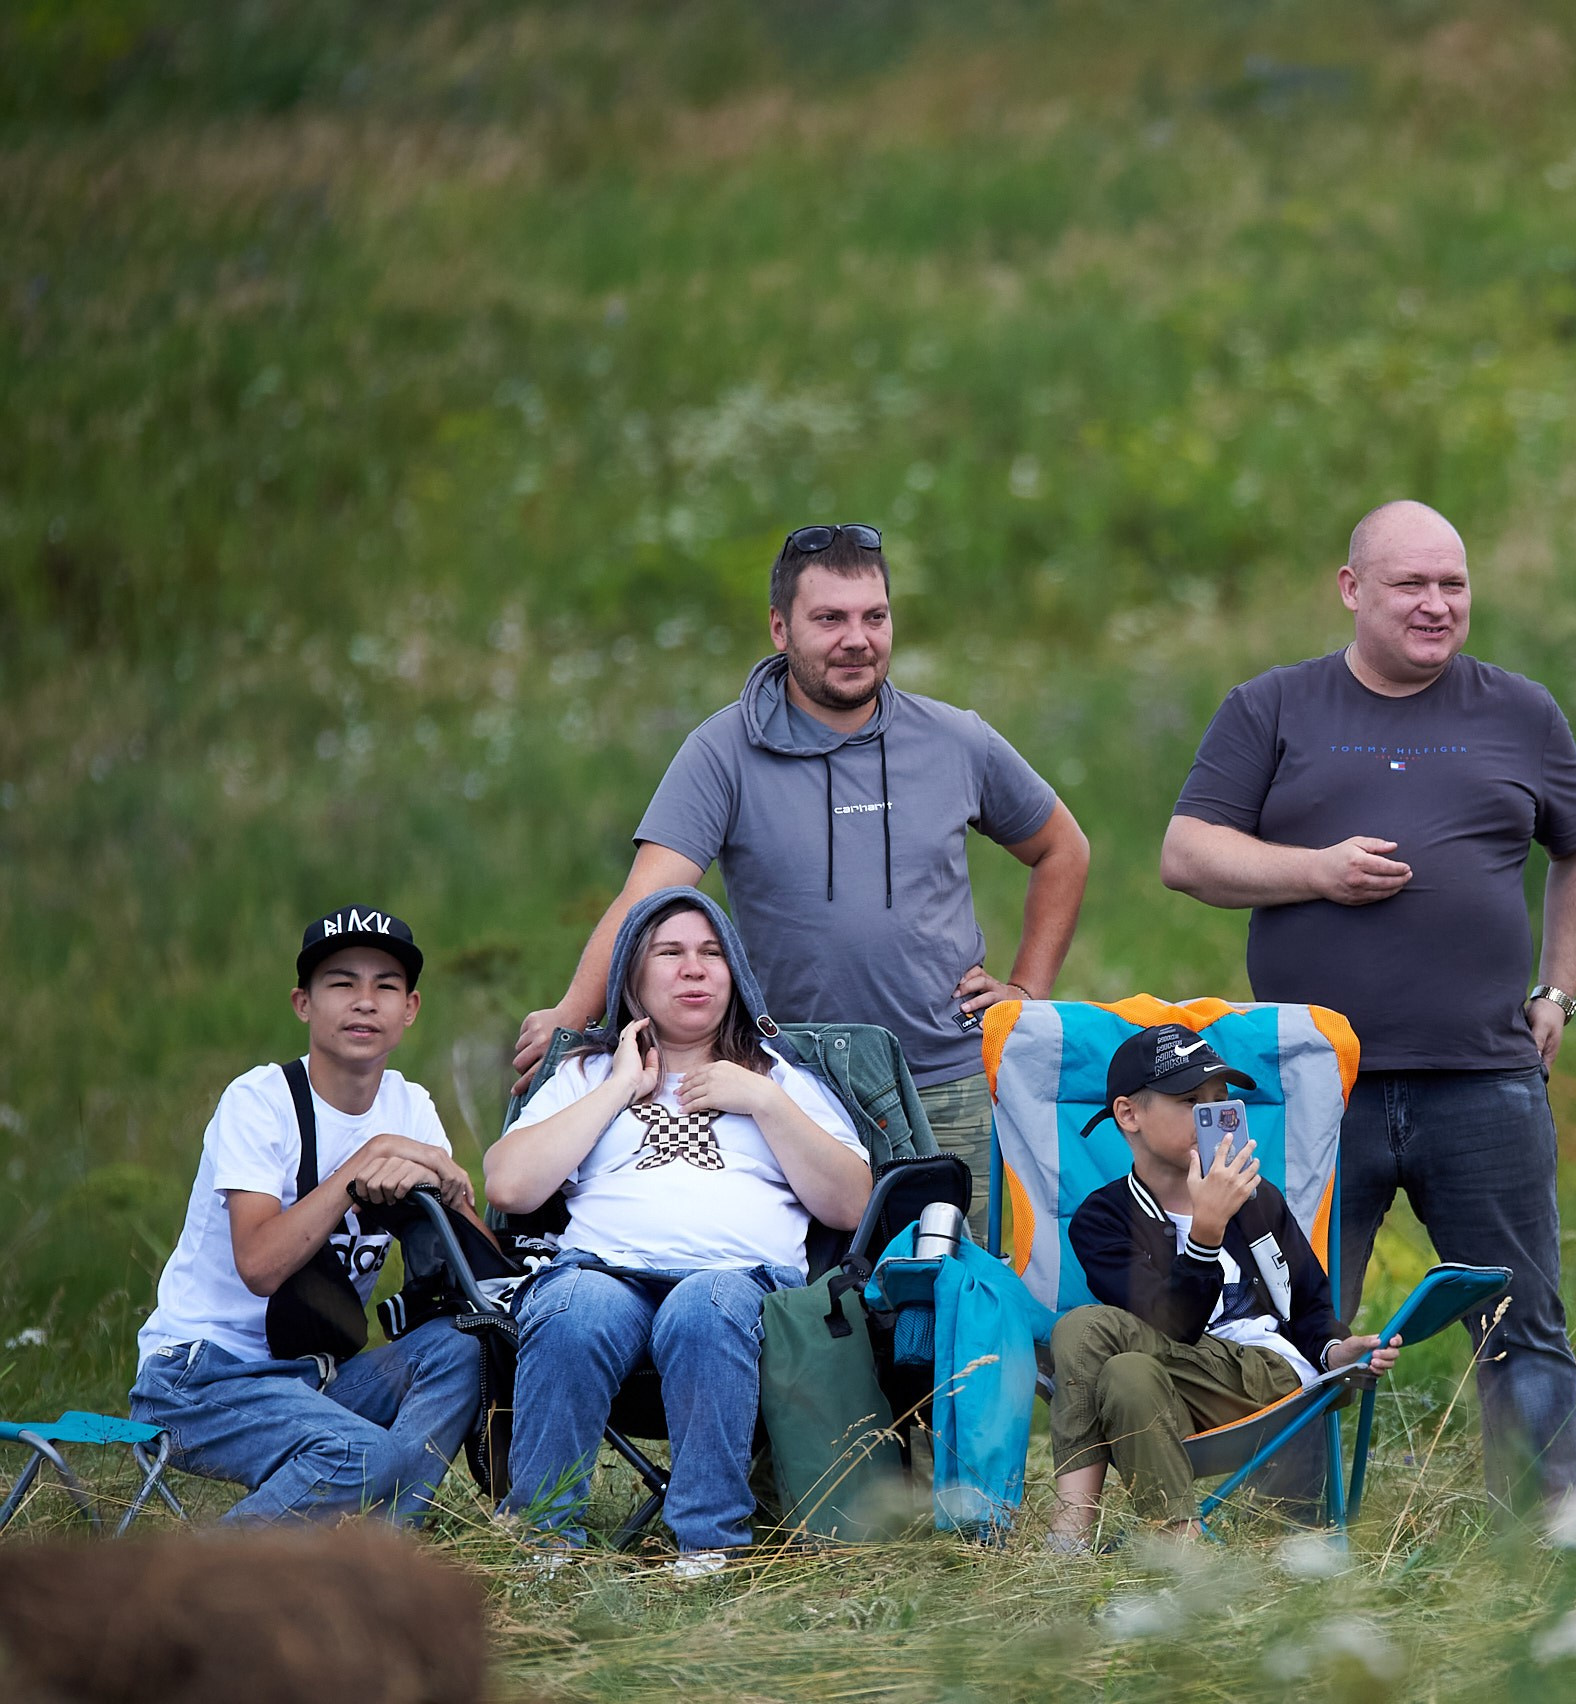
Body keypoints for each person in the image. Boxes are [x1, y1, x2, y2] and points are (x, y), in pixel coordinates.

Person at [1162, 499, 1576, 1511]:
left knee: (1521, 1323)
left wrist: (1558, 990)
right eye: (1410, 584)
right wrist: (1313, 872)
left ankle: (1541, 1547)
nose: (1435, 604)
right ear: (1351, 589)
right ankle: (1295, 1542)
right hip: (1314, 1083)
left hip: (1484, 1078)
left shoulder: (1518, 712)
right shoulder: (1272, 708)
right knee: (1287, 1322)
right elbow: (1186, 854)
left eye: (1452, 584)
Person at [514, 524, 1088, 1244]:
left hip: (951, 1082)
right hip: (798, 1089)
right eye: (830, 619)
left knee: (958, 1308)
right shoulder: (722, 751)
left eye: (874, 617)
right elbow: (646, 902)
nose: (857, 639)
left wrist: (1027, 997)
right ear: (780, 627)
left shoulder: (955, 740)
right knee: (820, 1319)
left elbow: (1063, 849)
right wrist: (573, 1015)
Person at [488, 888, 875, 1571]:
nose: (694, 969)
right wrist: (617, 1087)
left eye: (711, 953)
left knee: (704, 1309)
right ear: (631, 980)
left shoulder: (780, 1076)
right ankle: (541, 1540)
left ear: (735, 976)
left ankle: (708, 1544)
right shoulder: (585, 1073)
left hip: (738, 1280)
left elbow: (850, 1204)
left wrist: (762, 1101)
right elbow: (510, 1185)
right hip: (603, 1273)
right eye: (669, 953)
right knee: (571, 1311)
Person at [130, 905, 484, 1524]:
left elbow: (471, 1273)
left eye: (386, 986)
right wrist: (366, 1163)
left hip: (313, 1380)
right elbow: (261, 1266)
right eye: (342, 983)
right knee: (364, 1455)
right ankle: (173, 1593)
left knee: (461, 1347)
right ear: (303, 1004)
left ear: (411, 1009)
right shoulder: (259, 1101)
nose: (365, 1002)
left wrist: (454, 1196)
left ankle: (376, 1555)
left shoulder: (411, 1107)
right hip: (199, 1379)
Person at [1047, 1025, 1400, 1549]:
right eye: (1190, 1102)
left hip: (1272, 1381)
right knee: (1125, 1374)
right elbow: (1174, 1328)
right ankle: (1180, 1546)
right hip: (1181, 1390)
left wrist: (1333, 1349)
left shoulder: (1258, 1200)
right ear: (1129, 1115)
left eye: (1220, 1101)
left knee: (1082, 1326)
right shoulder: (1103, 1219)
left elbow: (1307, 1305)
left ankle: (1070, 1529)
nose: (1214, 1117)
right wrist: (1204, 1234)